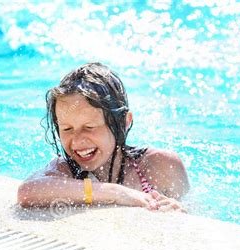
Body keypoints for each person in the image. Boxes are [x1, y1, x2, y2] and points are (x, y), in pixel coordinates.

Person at [17, 62, 189, 212]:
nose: (77, 141)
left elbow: (195, 215)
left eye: (89, 127)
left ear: (123, 123)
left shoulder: (161, 165)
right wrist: (114, 192)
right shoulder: (67, 169)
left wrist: (176, 210)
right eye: (67, 129)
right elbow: (28, 191)